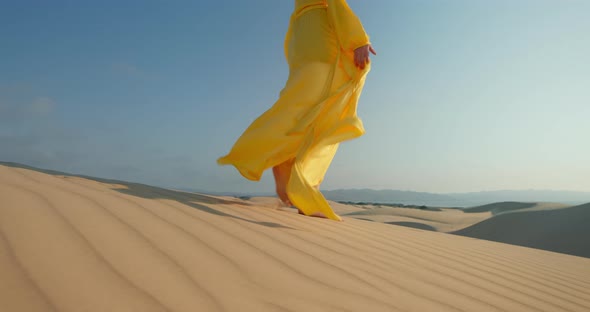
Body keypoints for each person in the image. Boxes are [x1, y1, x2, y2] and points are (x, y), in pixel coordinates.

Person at [218, 0, 375, 221]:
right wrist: (358, 39)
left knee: (299, 110)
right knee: (327, 118)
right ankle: (303, 187)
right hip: (322, 47)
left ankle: (285, 161)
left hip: (304, 43)